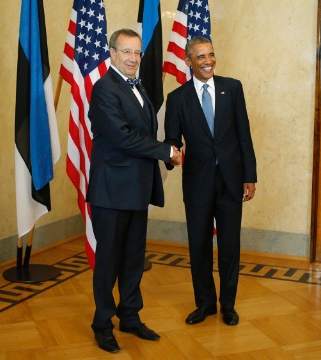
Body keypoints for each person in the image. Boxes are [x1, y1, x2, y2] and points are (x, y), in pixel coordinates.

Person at [87, 28, 181, 353]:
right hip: (111, 192)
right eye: (126, 51)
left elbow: (142, 131)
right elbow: (123, 138)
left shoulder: (137, 86)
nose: (132, 58)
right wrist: (166, 152)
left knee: (133, 259)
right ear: (111, 53)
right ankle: (103, 324)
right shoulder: (104, 89)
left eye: (137, 52)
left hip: (137, 190)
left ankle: (130, 316)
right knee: (109, 260)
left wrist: (166, 149)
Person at [164, 36, 257, 326]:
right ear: (189, 60)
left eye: (211, 55)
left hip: (231, 181)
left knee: (230, 246)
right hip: (197, 183)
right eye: (201, 57)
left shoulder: (233, 88)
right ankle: (205, 304)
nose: (208, 61)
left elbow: (244, 134)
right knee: (199, 246)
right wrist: (171, 155)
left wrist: (249, 176)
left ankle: (228, 305)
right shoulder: (177, 98)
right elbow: (171, 140)